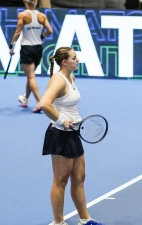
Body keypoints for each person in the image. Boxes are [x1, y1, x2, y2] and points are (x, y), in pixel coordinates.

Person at [40, 47, 105, 225]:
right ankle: (58, 222)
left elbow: (67, 105)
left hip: (74, 133)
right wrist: (62, 121)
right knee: (60, 181)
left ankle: (85, 220)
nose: (78, 60)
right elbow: (45, 103)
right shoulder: (58, 80)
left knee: (79, 178)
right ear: (64, 62)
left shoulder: (71, 77)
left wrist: (73, 121)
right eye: (74, 58)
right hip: (60, 135)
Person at [9, 0, 53, 112]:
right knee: (31, 76)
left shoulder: (23, 15)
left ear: (25, 2)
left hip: (27, 48)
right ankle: (25, 99)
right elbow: (50, 30)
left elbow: (18, 32)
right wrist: (42, 36)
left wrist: (11, 45)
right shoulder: (42, 16)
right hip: (38, 49)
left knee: (31, 77)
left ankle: (40, 102)